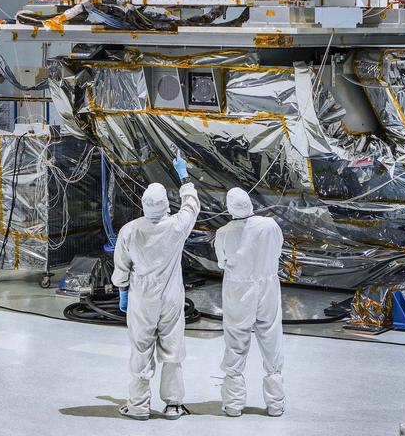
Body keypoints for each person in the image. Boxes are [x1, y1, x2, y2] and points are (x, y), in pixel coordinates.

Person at [112, 151, 200, 421]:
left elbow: (121, 266)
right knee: (172, 348)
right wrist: (183, 174)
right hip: (171, 296)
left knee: (141, 349)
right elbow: (192, 204)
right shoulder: (176, 226)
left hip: (141, 297)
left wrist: (123, 291)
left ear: (143, 204)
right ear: (164, 205)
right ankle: (173, 405)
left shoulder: (130, 230)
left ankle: (138, 406)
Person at [214, 187, 285, 418]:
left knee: (236, 343)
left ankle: (234, 405)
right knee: (271, 340)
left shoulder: (224, 232)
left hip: (238, 290)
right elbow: (277, 250)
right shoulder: (270, 225)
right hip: (267, 287)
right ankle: (276, 404)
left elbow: (222, 262)